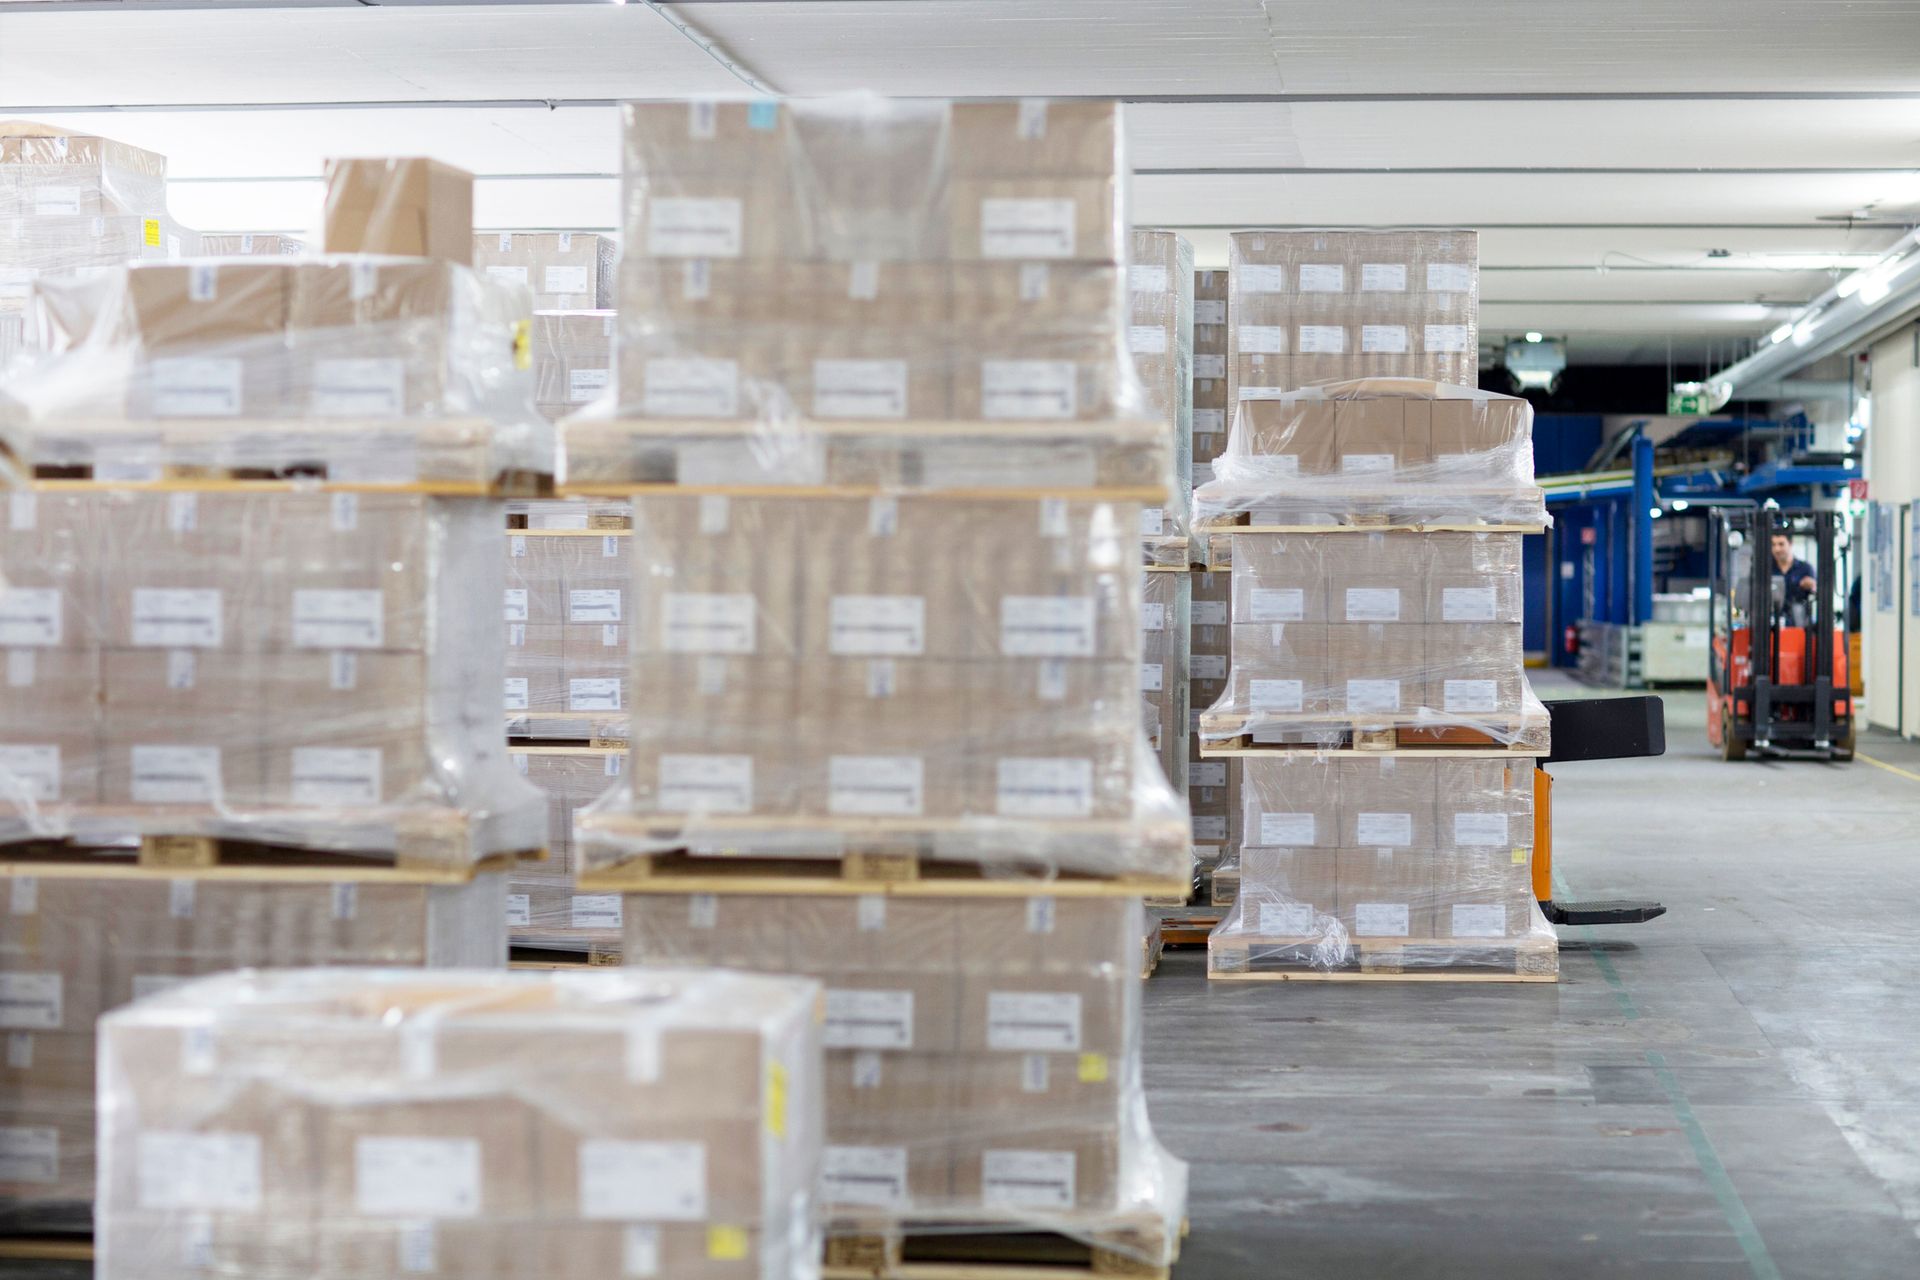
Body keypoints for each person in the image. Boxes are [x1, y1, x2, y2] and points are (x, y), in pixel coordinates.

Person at [1771, 532, 1816, 603]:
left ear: (1790, 544)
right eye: (1773, 545)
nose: (1777, 549)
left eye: (1781, 544)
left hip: (1799, 612)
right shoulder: (1767, 569)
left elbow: (1814, 592)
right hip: (1771, 612)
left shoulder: (1805, 568)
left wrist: (1811, 586)